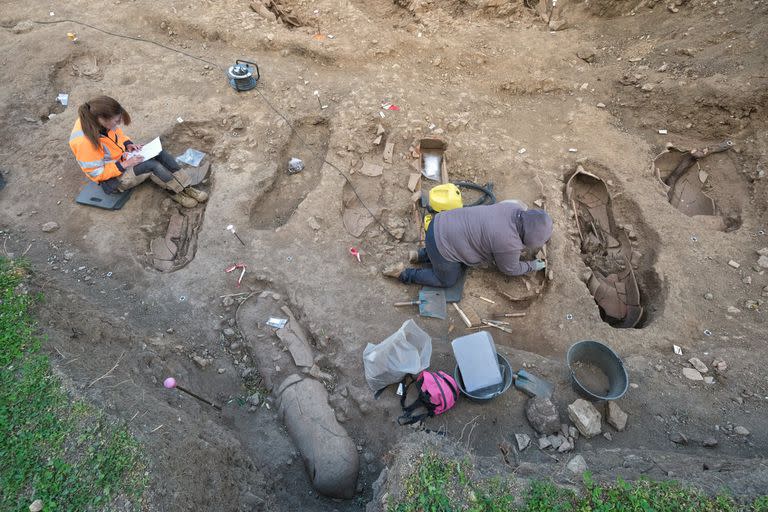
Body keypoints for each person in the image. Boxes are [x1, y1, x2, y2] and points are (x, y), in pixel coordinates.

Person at [69, 95, 207, 208]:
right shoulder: (84, 142)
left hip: (123, 159)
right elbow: (97, 173)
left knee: (160, 153)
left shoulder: (98, 120)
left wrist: (128, 144)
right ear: (103, 119)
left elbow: (117, 135)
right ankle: (175, 191)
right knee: (152, 166)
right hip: (113, 179)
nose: (118, 124)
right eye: (116, 121)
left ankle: (186, 186)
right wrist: (125, 164)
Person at [383, 201, 553, 287]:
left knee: (454, 242)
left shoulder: (512, 207)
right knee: (447, 280)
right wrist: (532, 265)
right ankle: (404, 274)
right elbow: (510, 269)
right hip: (444, 246)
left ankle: (420, 255)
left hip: (439, 223)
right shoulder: (508, 243)